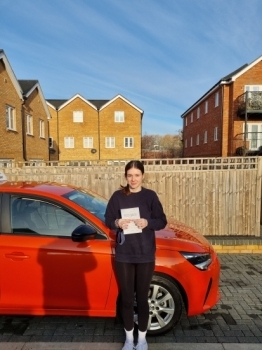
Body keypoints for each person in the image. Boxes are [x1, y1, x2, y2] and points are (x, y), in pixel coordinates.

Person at [105, 160, 167, 350]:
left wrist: (147, 222)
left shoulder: (150, 196)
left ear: (143, 176)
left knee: (142, 298)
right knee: (126, 298)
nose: (133, 179)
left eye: (137, 175)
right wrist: (117, 222)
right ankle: (129, 339)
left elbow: (161, 221)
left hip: (145, 254)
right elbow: (107, 219)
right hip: (124, 254)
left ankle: (142, 339)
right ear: (126, 176)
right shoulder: (117, 197)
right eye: (130, 175)